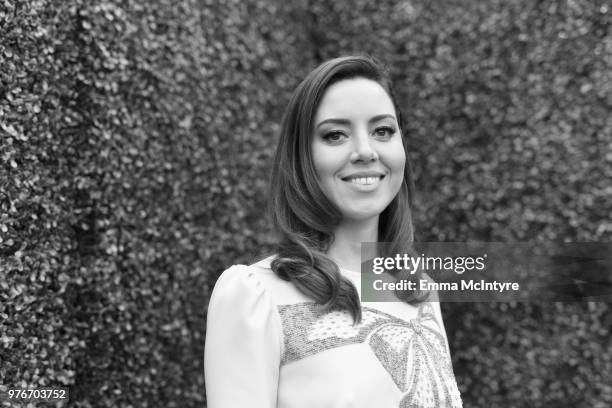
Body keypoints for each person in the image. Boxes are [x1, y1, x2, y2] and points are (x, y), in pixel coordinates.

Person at [204, 55, 463, 408]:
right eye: (335, 135)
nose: (365, 151)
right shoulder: (256, 296)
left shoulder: (420, 292)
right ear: (302, 157)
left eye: (382, 131)